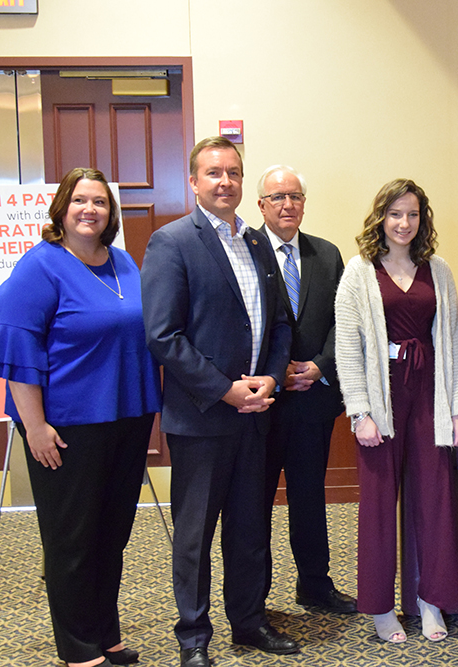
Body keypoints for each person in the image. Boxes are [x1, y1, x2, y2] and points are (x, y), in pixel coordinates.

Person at [0, 167, 161, 667]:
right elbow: (19, 353)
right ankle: (78, 649)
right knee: (72, 540)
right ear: (62, 208)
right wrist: (36, 426)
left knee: (112, 535)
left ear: (111, 213)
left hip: (127, 417)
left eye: (101, 202)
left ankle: (106, 634)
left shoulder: (124, 262)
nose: (91, 210)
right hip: (65, 427)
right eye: (81, 201)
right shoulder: (39, 268)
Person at [141, 137, 297, 667]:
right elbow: (164, 336)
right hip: (203, 418)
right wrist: (224, 389)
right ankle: (193, 637)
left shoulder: (257, 243)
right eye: (213, 172)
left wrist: (271, 381)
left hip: (256, 414)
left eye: (232, 171)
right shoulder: (171, 242)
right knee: (195, 537)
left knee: (251, 528)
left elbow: (279, 324)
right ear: (194, 182)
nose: (224, 181)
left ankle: (249, 622)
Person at [334, 178, 458, 643]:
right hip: (382, 396)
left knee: (434, 502)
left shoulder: (439, 270)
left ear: (422, 218)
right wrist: (359, 411)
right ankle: (380, 607)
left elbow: (451, 344)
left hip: (429, 394)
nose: (404, 223)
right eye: (395, 214)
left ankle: (431, 600)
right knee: (377, 506)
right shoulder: (358, 271)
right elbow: (348, 348)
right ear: (381, 217)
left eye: (412, 214)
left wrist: (457, 409)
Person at [257, 164, 356, 614]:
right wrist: (276, 372)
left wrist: (319, 366)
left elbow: (343, 323)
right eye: (277, 197)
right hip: (260, 405)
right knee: (253, 505)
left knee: (309, 499)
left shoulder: (326, 254)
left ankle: (314, 585)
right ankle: (252, 597)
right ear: (261, 205)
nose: (287, 204)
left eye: (294, 196)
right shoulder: (245, 252)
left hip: (313, 400)